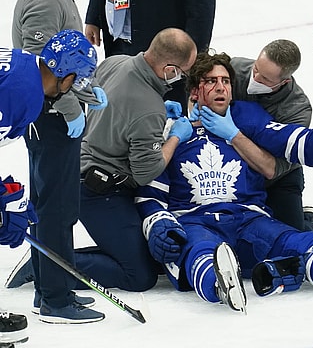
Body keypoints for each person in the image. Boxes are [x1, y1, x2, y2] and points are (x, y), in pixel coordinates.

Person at [134, 51, 313, 313]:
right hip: (194, 219)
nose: (221, 87)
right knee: (201, 249)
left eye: (226, 81)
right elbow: (150, 191)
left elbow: (294, 140)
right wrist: (160, 224)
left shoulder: (245, 116)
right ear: (194, 90)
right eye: (211, 81)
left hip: (248, 218)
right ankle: (220, 285)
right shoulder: (171, 128)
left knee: (297, 241)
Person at [5, 28, 198, 294]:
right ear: (169, 68)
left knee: (145, 253)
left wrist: (156, 113)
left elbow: (121, 106)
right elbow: (146, 172)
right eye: (183, 72)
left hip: (82, 167)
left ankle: (50, 261)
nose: (181, 79)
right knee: (140, 274)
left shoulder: (115, 61)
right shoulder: (148, 109)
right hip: (100, 190)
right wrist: (174, 137)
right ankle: (52, 269)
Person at [7, 0, 108, 325]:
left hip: (45, 105)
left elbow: (51, 65)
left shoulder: (26, 83)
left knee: (48, 203)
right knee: (56, 206)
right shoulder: (45, 0)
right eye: (76, 81)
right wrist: (70, 107)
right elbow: (46, 61)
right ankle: (56, 299)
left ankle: (51, 287)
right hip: (50, 118)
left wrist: (84, 93)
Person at [231, 39, 313, 234]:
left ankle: (310, 223)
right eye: (256, 69)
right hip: (232, 169)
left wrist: (233, 134)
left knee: (290, 237)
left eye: (265, 79)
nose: (255, 78)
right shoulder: (233, 70)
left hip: (278, 179)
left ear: (285, 81)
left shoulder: (298, 110)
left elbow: (271, 169)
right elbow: (196, 93)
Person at [84, 0, 216, 112]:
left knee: (163, 121)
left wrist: (192, 60)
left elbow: (201, 8)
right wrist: (94, 16)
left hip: (164, 52)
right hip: (118, 43)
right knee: (121, 112)